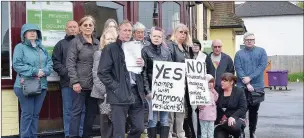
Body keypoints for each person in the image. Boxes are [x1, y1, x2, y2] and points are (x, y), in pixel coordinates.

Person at [97, 20, 146, 138]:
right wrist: (116, 88)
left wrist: (143, 64)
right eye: (125, 30)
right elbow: (102, 73)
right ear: (119, 31)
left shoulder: (137, 47)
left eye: (130, 30)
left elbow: (142, 72)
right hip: (119, 94)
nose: (128, 33)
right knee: (118, 131)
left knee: (139, 127)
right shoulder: (110, 48)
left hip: (136, 92)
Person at [12, 23, 53, 138]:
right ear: (24, 34)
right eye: (29, 31)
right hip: (25, 86)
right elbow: (17, 65)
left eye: (35, 31)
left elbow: (50, 64)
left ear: (38, 34)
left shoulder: (42, 48)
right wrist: (35, 71)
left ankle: (33, 136)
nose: (32, 33)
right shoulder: (20, 47)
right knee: (27, 114)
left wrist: (44, 71)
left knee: (35, 114)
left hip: (42, 85)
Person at [66, 16, 100, 138]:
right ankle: (73, 136)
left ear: (93, 27)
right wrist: (75, 82)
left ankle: (87, 135)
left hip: (94, 85)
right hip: (79, 85)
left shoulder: (97, 42)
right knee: (76, 113)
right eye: (85, 25)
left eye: (90, 25)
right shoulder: (75, 42)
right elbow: (70, 63)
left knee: (91, 114)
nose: (88, 27)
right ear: (80, 27)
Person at [52, 20, 85, 138]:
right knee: (68, 111)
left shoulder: (85, 42)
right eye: (70, 27)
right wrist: (67, 73)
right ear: (66, 29)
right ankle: (68, 134)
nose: (72, 29)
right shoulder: (60, 44)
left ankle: (80, 133)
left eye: (74, 27)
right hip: (67, 83)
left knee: (82, 110)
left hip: (84, 84)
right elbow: (55, 62)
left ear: (79, 29)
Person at [234, 32, 268, 138]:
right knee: (242, 110)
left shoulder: (261, 51)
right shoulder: (239, 54)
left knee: (254, 111)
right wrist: (247, 82)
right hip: (242, 86)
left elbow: (262, 66)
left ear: (254, 40)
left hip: (257, 86)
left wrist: (250, 78)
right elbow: (238, 68)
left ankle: (252, 132)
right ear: (244, 41)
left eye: (251, 39)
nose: (249, 41)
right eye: (247, 39)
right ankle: (241, 131)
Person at [142, 26, 172, 138]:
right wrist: (147, 90)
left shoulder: (167, 51)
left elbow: (171, 70)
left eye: (159, 36)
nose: (156, 38)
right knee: (153, 119)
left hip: (164, 90)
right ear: (150, 36)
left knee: (164, 119)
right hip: (151, 89)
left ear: (162, 37)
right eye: (154, 36)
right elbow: (143, 72)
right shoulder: (145, 50)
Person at [167, 23, 193, 138]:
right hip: (172, 81)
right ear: (175, 33)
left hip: (183, 83)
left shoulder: (186, 48)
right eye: (180, 32)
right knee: (171, 110)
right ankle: (170, 133)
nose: (183, 35)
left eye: (185, 33)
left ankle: (180, 132)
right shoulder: (170, 46)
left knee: (180, 109)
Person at [91, 28, 118, 138]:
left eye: (113, 39)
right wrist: (106, 92)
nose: (110, 41)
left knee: (116, 121)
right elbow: (96, 76)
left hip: (116, 94)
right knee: (105, 122)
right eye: (108, 39)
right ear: (104, 41)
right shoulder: (99, 54)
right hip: (103, 94)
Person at [214, 73, 247, 138]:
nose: (222, 82)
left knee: (233, 125)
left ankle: (239, 135)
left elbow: (243, 108)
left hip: (236, 119)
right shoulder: (218, 91)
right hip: (222, 121)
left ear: (231, 82)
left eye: (225, 81)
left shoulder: (239, 91)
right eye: (222, 80)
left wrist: (233, 117)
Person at [189, 38, 210, 138]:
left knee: (201, 110)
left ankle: (201, 133)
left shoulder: (205, 57)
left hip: (201, 88)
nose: (195, 46)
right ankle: (193, 133)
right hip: (189, 88)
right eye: (193, 45)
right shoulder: (188, 56)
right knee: (191, 111)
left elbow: (208, 72)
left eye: (197, 45)